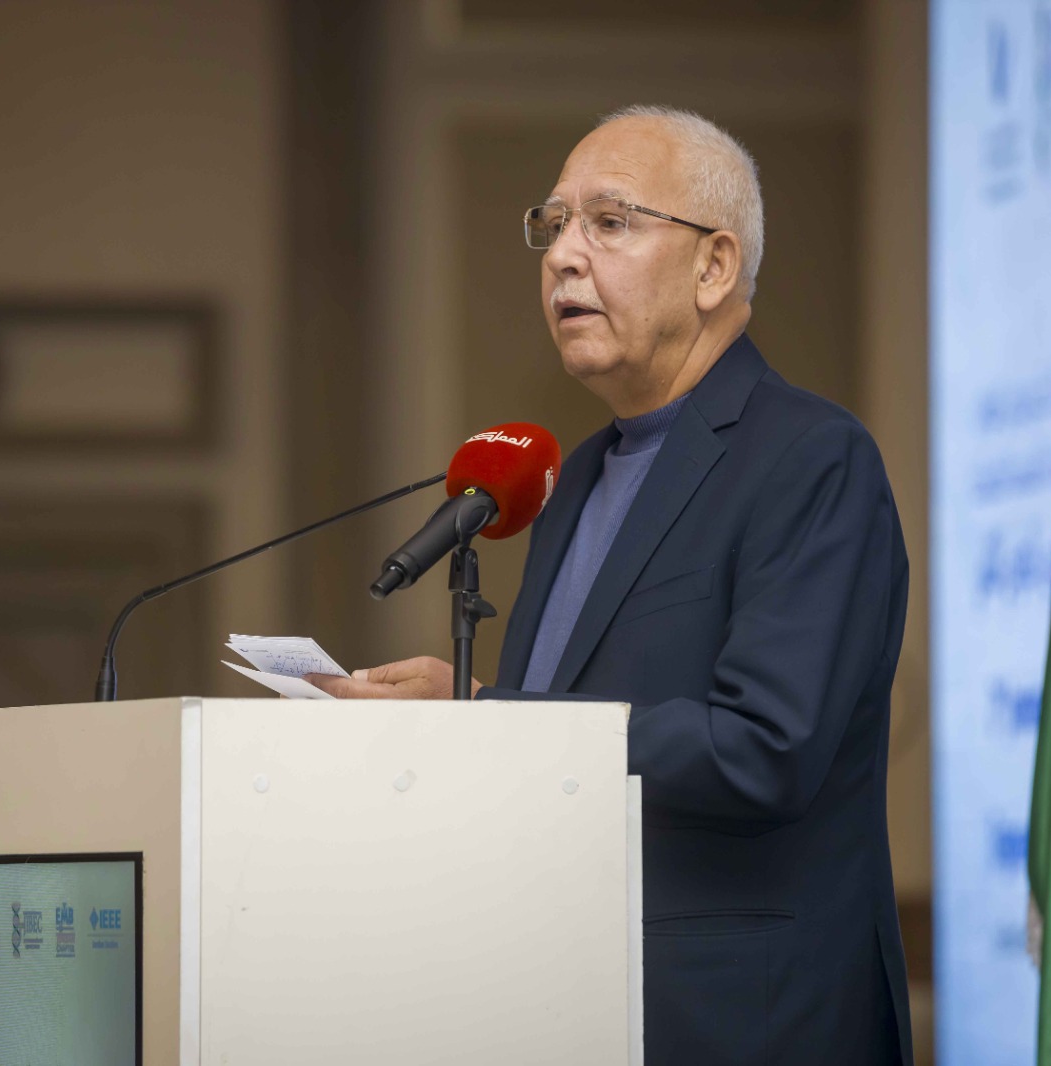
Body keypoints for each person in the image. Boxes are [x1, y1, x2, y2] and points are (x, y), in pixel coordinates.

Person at [310, 105, 911, 1066]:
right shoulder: (572, 477)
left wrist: (483, 719)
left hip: (742, 1025)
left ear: (714, 266)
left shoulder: (809, 458)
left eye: (610, 221)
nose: (562, 256)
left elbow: (764, 750)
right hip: (567, 1008)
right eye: (553, 224)